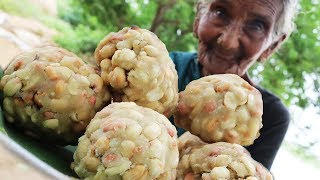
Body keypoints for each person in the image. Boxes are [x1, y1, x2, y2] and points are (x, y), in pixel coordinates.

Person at [169, 0, 298, 170]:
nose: (228, 42)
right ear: (199, 18)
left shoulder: (271, 116)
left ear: (272, 46)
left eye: (257, 26)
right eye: (220, 13)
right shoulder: (160, 72)